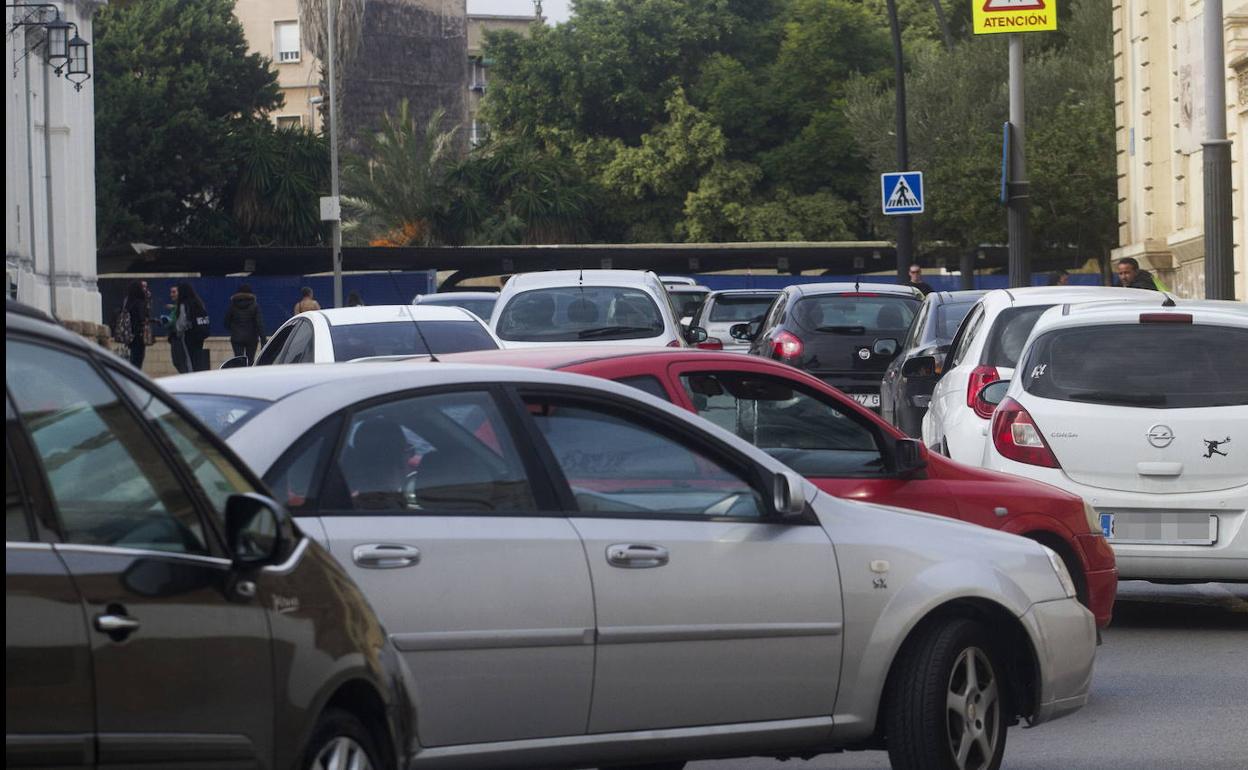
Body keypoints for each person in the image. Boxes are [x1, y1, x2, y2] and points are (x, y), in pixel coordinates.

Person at [168, 282, 211, 372]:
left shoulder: (184, 304)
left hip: (189, 336)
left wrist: (177, 331)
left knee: (188, 359)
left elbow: (182, 323)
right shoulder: (198, 303)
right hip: (200, 335)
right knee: (197, 358)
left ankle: (192, 376)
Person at [224, 283, 266, 364]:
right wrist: (263, 339)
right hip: (252, 338)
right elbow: (259, 323)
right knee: (250, 360)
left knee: (238, 359)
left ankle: (239, 374)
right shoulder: (254, 306)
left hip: (236, 337)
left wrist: (233, 329)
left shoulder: (233, 305)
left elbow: (226, 322)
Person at [118, 281, 150, 370]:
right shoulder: (140, 302)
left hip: (129, 335)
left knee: (132, 358)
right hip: (138, 335)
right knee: (138, 359)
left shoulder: (128, 303)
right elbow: (141, 318)